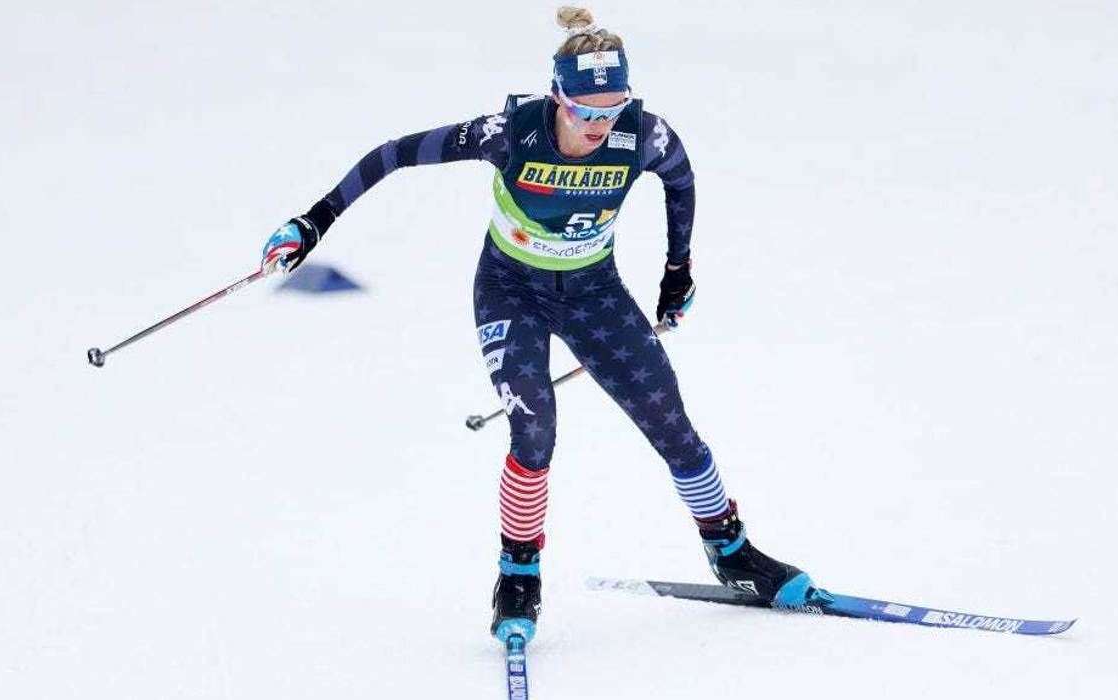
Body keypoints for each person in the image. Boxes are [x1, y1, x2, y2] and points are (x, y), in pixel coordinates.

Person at [260, 6, 829, 645]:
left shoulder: (644, 135)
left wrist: (678, 269)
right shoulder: (510, 133)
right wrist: (314, 221)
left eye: (612, 110)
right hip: (512, 292)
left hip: (594, 293)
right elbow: (393, 155)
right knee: (535, 428)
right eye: (584, 111)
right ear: (557, 96)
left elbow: (681, 180)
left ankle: (731, 552)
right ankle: (518, 574)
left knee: (670, 422)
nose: (598, 126)